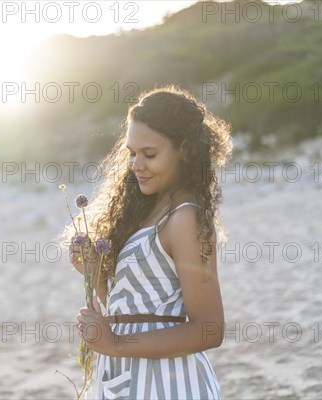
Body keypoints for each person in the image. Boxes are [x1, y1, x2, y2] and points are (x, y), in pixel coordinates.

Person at [67, 85, 232, 399]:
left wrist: (115, 344)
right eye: (131, 153)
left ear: (184, 149)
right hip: (124, 375)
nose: (136, 164)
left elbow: (209, 329)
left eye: (150, 154)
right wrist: (95, 274)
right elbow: (131, 308)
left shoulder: (185, 219)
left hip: (166, 383)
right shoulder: (146, 211)